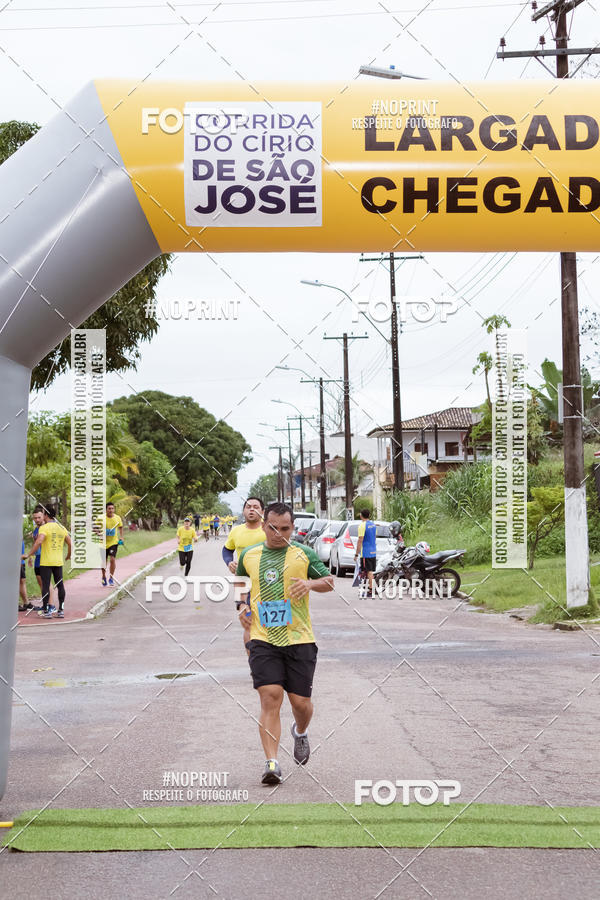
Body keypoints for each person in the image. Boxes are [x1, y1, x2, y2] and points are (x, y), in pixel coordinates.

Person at [236, 501, 334, 785]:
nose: (278, 534)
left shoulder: (303, 554)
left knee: (300, 704)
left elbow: (329, 581)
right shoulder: (249, 555)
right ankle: (271, 763)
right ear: (264, 525)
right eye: (273, 528)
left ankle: (300, 731)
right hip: (263, 637)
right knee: (270, 697)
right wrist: (242, 607)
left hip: (299, 638)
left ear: (293, 528)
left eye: (285, 529)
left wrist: (310, 584)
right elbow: (240, 584)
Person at [222, 497, 266, 652]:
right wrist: (229, 562)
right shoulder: (236, 531)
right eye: (248, 507)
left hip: (268, 583)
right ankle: (254, 663)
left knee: (270, 625)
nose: (252, 509)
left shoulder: (269, 530)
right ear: (243, 511)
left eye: (256, 507)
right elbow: (227, 549)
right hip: (243, 584)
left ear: (262, 511)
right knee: (248, 623)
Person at [26, 505, 71, 618]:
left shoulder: (44, 528)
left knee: (45, 585)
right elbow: (70, 543)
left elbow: (39, 541)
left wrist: (28, 554)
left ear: (45, 515)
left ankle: (46, 611)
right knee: (60, 585)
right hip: (58, 561)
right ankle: (61, 610)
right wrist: (68, 555)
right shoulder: (61, 527)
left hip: (46, 562)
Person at [29, 505, 51, 607]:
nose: (37, 519)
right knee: (41, 584)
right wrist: (30, 557)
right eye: (35, 518)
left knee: (47, 583)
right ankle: (45, 605)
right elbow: (35, 545)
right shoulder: (35, 530)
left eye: (39, 517)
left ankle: (51, 605)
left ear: (43, 516)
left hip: (46, 558)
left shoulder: (47, 528)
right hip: (38, 559)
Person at [355, 508, 377, 598]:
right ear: (369, 515)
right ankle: (369, 589)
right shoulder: (373, 525)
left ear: (361, 516)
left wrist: (356, 554)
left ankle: (371, 590)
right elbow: (374, 537)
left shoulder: (362, 526)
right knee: (370, 571)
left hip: (366, 552)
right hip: (373, 551)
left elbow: (360, 540)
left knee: (368, 572)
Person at [100, 502, 123, 587]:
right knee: (103, 562)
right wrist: (99, 533)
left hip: (113, 542)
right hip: (103, 543)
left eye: (112, 508)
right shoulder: (101, 518)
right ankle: (103, 577)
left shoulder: (117, 518)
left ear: (114, 509)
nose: (111, 510)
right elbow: (94, 527)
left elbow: (120, 527)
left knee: (112, 559)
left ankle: (111, 578)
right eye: (109, 508)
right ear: (106, 509)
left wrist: (121, 537)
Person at [18, 539, 29, 612]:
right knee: (20, 581)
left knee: (22, 580)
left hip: (21, 560)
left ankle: (26, 603)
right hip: (17, 560)